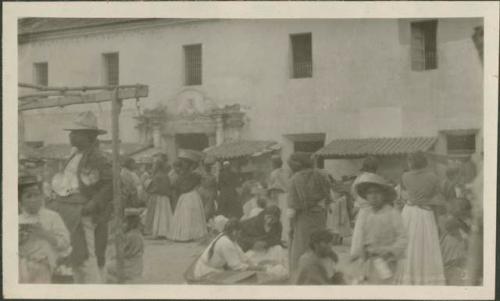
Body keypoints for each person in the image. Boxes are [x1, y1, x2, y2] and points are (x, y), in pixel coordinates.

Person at [48, 111, 112, 283]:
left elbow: (110, 184)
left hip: (83, 211)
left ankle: (95, 289)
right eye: (71, 132)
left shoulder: (98, 157)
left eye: (76, 133)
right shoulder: (75, 155)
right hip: (68, 208)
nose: (71, 135)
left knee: (88, 256)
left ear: (88, 136)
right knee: (75, 253)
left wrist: (93, 204)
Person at [397, 151, 446, 285]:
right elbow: (439, 198)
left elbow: (405, 194)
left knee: (409, 244)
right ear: (425, 161)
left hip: (409, 212)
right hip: (424, 213)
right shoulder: (433, 177)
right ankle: (425, 277)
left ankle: (409, 275)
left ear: (411, 162)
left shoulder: (404, 176)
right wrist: (427, 199)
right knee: (425, 244)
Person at [352, 173, 408, 284]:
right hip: (369, 261)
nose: (374, 196)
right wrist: (359, 253)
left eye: (377, 193)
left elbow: (403, 238)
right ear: (366, 196)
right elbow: (360, 236)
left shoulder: (392, 214)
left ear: (384, 195)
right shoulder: (365, 214)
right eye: (370, 193)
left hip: (387, 261)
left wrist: (390, 251)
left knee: (385, 286)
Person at [19, 171, 71, 283]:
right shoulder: (16, 219)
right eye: (29, 196)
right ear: (20, 201)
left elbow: (65, 243)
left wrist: (45, 234)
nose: (34, 199)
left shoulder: (52, 217)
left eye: (37, 195)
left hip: (44, 267)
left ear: (42, 196)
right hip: (20, 268)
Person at [287, 152, 332, 273]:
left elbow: (292, 209)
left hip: (303, 219)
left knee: (301, 250)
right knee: (319, 247)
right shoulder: (321, 176)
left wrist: (291, 226)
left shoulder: (295, 179)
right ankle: (322, 275)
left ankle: (301, 277)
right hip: (319, 217)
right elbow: (328, 199)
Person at [190, 219, 261, 281]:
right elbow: (236, 266)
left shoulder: (227, 236)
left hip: (214, 267)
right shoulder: (226, 243)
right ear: (234, 232)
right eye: (239, 233)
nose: (240, 236)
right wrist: (256, 268)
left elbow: (241, 255)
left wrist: (255, 264)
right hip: (206, 271)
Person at [168, 150, 208, 242]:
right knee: (186, 215)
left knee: (189, 215)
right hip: (187, 196)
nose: (184, 164)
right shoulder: (182, 174)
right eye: (183, 162)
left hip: (189, 196)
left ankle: (188, 235)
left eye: (186, 163)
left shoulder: (194, 175)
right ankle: (186, 235)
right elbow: (175, 186)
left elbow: (205, 181)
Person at [350, 156, 379, 260]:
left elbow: (353, 194)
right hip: (375, 210)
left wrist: (359, 203)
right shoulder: (376, 179)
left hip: (362, 211)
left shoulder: (359, 179)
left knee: (360, 238)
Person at [106, 208, 145, 284]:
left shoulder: (132, 235)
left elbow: (126, 253)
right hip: (138, 266)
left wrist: (115, 256)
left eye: (126, 221)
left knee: (107, 266)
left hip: (131, 266)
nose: (125, 224)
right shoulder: (137, 234)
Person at [143, 153, 173, 239]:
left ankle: (156, 230)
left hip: (157, 197)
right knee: (164, 214)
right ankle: (163, 230)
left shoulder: (156, 176)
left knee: (157, 214)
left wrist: (148, 187)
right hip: (165, 198)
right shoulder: (165, 176)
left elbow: (154, 188)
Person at [267, 155, 292, 244]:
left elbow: (270, 186)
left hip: (277, 195)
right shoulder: (287, 171)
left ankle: (282, 237)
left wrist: (268, 192)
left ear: (274, 164)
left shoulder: (273, 173)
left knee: (279, 216)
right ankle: (287, 237)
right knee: (286, 216)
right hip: (287, 195)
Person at [197, 156, 218, 221]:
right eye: (207, 166)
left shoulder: (211, 176)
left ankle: (206, 220)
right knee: (204, 208)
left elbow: (215, 187)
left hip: (208, 192)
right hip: (204, 192)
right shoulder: (202, 175)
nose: (208, 167)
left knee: (208, 208)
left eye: (209, 166)